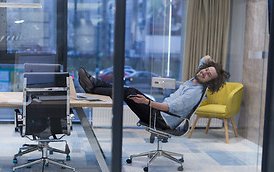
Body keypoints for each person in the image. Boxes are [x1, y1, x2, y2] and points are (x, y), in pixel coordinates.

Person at [78, 55, 230, 130]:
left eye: (208, 74)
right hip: (158, 112)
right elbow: (205, 58)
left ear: (210, 82)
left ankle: (93, 86)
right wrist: (213, 66)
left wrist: (147, 102)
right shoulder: (195, 80)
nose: (204, 72)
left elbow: (171, 108)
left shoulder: (195, 92)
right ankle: (94, 85)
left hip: (162, 120)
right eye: (205, 69)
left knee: (129, 92)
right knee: (130, 91)